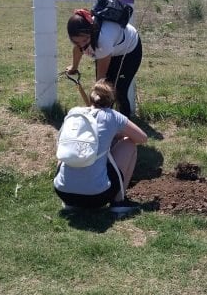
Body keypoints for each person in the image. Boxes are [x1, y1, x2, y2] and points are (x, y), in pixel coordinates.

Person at [54, 79, 148, 213]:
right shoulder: (112, 116)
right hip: (97, 197)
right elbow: (142, 138)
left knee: (67, 146)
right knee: (129, 144)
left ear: (91, 99)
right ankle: (119, 202)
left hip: (63, 192)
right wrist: (116, 135)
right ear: (111, 102)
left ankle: (71, 195)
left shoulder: (73, 113)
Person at [65, 7, 142, 117]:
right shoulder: (80, 36)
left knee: (118, 90)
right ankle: (104, 120)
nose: (82, 44)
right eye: (77, 41)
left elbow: (100, 81)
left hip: (129, 50)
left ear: (91, 31)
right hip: (109, 49)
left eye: (85, 40)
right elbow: (78, 49)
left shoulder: (102, 40)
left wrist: (95, 95)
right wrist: (74, 67)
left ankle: (124, 122)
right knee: (104, 92)